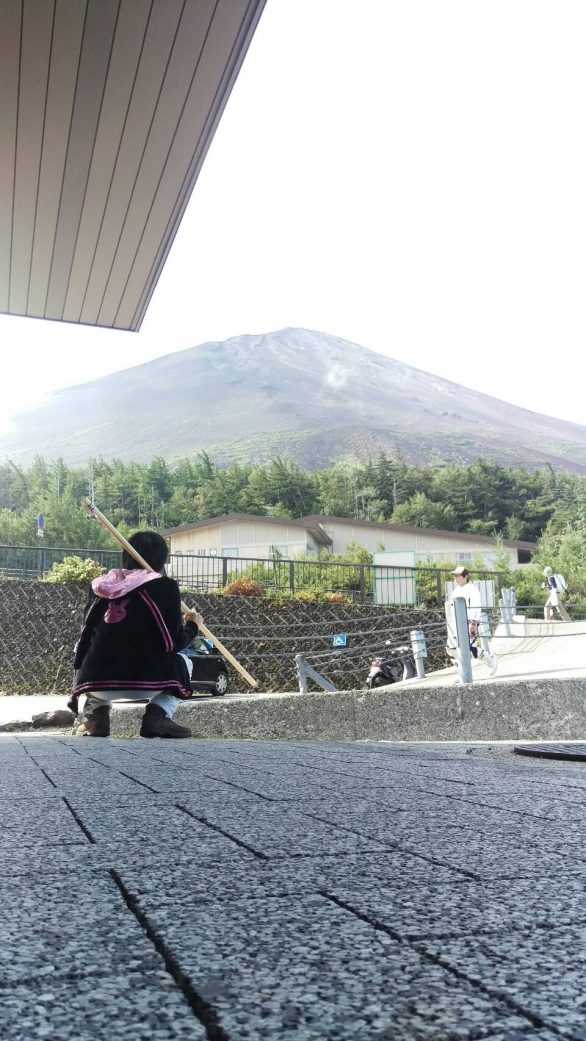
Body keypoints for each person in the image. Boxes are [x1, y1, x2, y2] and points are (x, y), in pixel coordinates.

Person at [69, 531, 203, 738]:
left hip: (95, 683)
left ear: (126, 555)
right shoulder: (164, 586)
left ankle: (96, 717)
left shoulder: (100, 587)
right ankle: (157, 716)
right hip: (148, 683)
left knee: (91, 650)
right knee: (186, 661)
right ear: (162, 560)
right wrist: (193, 625)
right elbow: (173, 643)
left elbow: (85, 637)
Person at [448, 566, 497, 674]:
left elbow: (476, 607)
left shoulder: (472, 589)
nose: (455, 578)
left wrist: (473, 624)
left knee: (467, 648)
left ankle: (490, 660)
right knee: (452, 649)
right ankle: (462, 673)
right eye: (454, 576)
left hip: (468, 623)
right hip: (455, 625)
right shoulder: (455, 591)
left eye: (458, 575)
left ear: (465, 576)